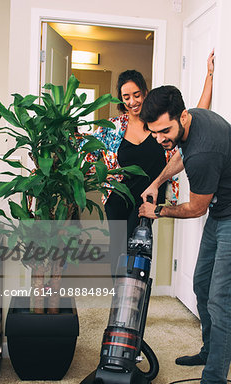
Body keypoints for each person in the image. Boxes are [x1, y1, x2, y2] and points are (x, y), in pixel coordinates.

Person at [138, 85, 231, 384]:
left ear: (182, 117)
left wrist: (157, 210)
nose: (160, 139)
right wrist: (156, 183)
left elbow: (196, 208)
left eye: (165, 131)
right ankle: (210, 350)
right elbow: (179, 156)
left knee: (221, 297)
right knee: (201, 284)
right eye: (155, 133)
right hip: (225, 209)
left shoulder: (204, 151)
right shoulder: (190, 126)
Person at [84, 51, 215, 274]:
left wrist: (209, 76)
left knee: (138, 254)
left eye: (136, 94)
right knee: (118, 255)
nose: (132, 101)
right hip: (117, 199)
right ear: (120, 99)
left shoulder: (160, 123)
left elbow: (196, 116)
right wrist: (101, 175)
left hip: (147, 200)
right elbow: (85, 154)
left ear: (145, 93)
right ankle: (121, 305)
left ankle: (135, 303)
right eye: (126, 97)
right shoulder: (113, 126)